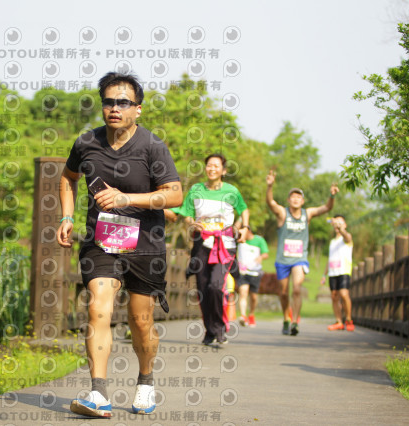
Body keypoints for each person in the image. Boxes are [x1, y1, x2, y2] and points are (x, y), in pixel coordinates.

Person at [56, 71, 182, 418]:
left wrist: (128, 198)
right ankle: (98, 393)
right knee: (98, 307)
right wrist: (66, 216)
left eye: (123, 102)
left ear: (137, 108)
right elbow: (68, 178)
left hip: (145, 243)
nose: (115, 108)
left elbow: (174, 195)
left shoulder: (153, 146)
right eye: (109, 102)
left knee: (140, 321)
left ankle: (145, 381)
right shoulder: (86, 143)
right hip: (101, 241)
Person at [166, 153, 249, 345]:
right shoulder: (196, 189)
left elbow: (244, 209)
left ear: (224, 171)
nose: (212, 169)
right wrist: (192, 223)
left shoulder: (231, 191)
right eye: (209, 165)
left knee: (215, 286)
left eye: (216, 166)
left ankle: (219, 328)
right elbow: (186, 213)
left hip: (224, 244)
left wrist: (244, 227)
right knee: (203, 288)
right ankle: (209, 331)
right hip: (201, 243)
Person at [266, 169, 338, 336]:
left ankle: (295, 322)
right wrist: (269, 187)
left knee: (297, 289)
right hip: (283, 260)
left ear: (303, 201)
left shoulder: (308, 214)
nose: (296, 199)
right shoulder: (283, 213)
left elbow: (327, 207)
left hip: (299, 259)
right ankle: (286, 318)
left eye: (299, 197)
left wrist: (332, 196)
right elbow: (270, 203)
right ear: (288, 200)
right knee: (284, 293)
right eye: (293, 196)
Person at [321, 215, 355, 331]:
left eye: (340, 222)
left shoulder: (346, 238)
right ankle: (339, 321)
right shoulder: (332, 242)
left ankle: (349, 319)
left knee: (344, 294)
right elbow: (330, 259)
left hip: (343, 271)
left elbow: (347, 236)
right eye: (336, 222)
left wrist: (340, 228)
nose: (337, 224)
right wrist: (324, 274)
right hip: (332, 272)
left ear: (345, 225)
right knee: (334, 297)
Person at [236, 226, 269, 327]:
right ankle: (243, 316)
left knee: (253, 297)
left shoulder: (259, 240)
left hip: (255, 272)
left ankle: (251, 314)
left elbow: (266, 254)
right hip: (243, 272)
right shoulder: (239, 240)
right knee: (243, 293)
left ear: (248, 231)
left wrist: (261, 257)